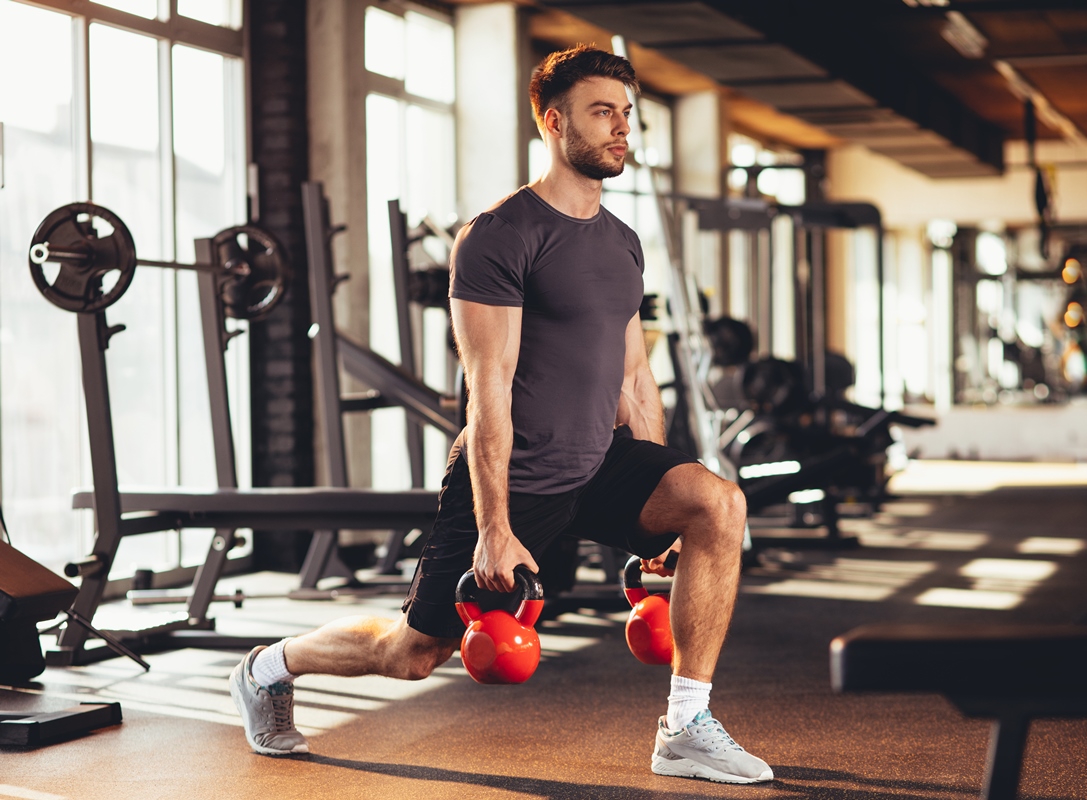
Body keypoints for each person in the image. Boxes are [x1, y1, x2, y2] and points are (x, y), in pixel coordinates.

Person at [229, 44, 772, 785]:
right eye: (602, 113)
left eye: (626, 114)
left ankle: (686, 725)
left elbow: (636, 376)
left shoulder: (622, 242)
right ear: (554, 122)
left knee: (718, 504)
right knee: (412, 654)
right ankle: (267, 667)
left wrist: (653, 502)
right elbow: (488, 389)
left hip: (601, 461)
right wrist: (495, 525)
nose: (621, 129)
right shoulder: (501, 235)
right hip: (519, 474)